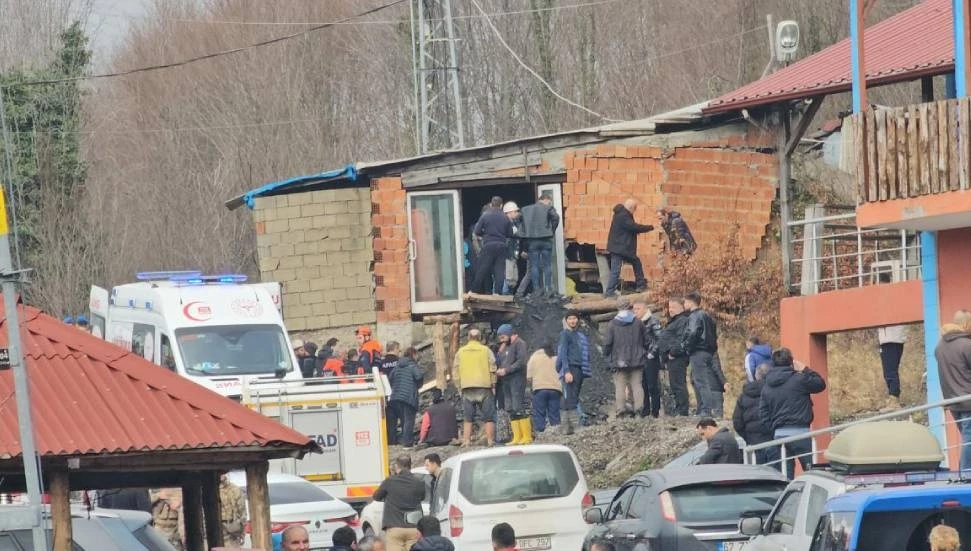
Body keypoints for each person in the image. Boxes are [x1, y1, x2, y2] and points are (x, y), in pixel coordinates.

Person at [759, 347, 827, 479]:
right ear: (791, 361)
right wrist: (805, 369)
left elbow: (763, 413)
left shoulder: (767, 386)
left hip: (779, 436)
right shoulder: (799, 379)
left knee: (786, 477)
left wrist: (774, 429)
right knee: (812, 475)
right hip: (801, 433)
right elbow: (820, 384)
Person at [935, 309, 971, 470]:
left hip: (953, 402)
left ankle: (965, 472)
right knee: (969, 439)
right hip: (968, 400)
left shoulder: (940, 346)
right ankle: (965, 473)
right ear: (966, 324)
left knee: (967, 438)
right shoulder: (966, 345)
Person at [681, 292, 725, 417]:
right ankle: (705, 409)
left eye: (685, 302)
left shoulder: (694, 316)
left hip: (698, 351)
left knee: (701, 382)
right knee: (704, 381)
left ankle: (705, 410)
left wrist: (685, 346)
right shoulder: (708, 316)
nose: (684, 304)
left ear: (691, 302)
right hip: (709, 352)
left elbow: (693, 332)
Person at [453, 328, 498, 447]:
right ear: (480, 338)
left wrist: (459, 386)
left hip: (467, 387)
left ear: (468, 338)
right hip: (484, 386)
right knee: (489, 417)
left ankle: (466, 441)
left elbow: (456, 371)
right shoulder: (486, 350)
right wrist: (493, 384)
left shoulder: (461, 352)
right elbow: (493, 367)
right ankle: (490, 441)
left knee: (468, 417)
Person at [604, 297, 648, 418]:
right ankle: (639, 410)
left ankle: (621, 410)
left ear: (617, 307)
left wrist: (607, 355)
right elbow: (646, 340)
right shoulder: (638, 322)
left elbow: (608, 343)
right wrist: (644, 352)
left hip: (619, 360)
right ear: (629, 307)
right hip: (637, 359)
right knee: (637, 385)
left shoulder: (612, 324)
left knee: (620, 386)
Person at [604, 198, 654, 297]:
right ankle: (610, 292)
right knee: (616, 270)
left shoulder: (621, 214)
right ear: (632, 208)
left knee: (634, 263)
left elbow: (629, 229)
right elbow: (634, 227)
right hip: (620, 248)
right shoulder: (623, 216)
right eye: (635, 209)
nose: (634, 211)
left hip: (620, 248)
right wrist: (650, 227)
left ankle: (640, 285)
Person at [374, 455, 426, 551]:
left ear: (397, 466)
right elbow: (422, 497)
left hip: (394, 527)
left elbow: (376, 496)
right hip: (414, 527)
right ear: (410, 465)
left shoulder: (390, 481)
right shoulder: (419, 482)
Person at [520, 191, 560, 298]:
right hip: (546, 239)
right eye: (549, 202)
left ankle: (536, 289)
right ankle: (548, 288)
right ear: (545, 200)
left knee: (534, 266)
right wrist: (551, 230)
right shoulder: (548, 208)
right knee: (547, 265)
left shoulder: (527, 209)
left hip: (533, 241)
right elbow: (556, 218)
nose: (549, 204)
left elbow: (522, 224)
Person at [471, 196, 513, 295]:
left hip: (488, 245)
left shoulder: (485, 216)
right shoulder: (505, 217)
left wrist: (485, 234)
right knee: (499, 270)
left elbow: (476, 231)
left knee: (482, 268)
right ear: (501, 205)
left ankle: (474, 291)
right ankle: (498, 293)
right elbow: (510, 234)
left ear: (491, 204)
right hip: (502, 245)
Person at [557, 310, 590, 435]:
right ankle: (573, 426)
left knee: (573, 396)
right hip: (570, 368)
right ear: (566, 321)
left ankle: (568, 427)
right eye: (570, 318)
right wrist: (566, 371)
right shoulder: (565, 334)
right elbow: (563, 353)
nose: (572, 321)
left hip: (578, 368)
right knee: (569, 397)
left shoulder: (578, 335)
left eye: (574, 318)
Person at [497, 323, 531, 445]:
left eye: (503, 336)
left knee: (518, 407)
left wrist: (506, 370)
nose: (501, 339)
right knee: (510, 408)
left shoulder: (520, 343)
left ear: (509, 334)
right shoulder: (504, 347)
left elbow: (521, 362)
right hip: (506, 380)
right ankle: (517, 437)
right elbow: (501, 361)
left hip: (517, 379)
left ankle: (526, 436)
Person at [733, 364, 773, 464]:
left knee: (757, 471)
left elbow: (737, 422)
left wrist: (748, 438)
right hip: (773, 440)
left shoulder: (743, 396)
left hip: (753, 442)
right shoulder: (774, 391)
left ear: (756, 375)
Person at [659, 297, 691, 416]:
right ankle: (679, 408)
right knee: (674, 384)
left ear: (682, 307)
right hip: (671, 357)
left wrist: (673, 353)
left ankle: (682, 410)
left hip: (677, 357)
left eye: (673, 307)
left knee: (678, 384)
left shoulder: (682, 320)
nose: (670, 309)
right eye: (669, 307)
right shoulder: (674, 320)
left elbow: (681, 339)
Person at [387, 347, 424, 449]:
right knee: (408, 420)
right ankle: (407, 443)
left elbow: (390, 378)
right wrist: (417, 385)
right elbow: (419, 376)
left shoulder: (397, 365)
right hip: (408, 397)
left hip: (395, 397)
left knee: (402, 420)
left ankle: (396, 441)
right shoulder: (412, 365)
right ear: (413, 354)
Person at [632, 300, 663, 418]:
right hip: (640, 358)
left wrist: (652, 353)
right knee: (642, 385)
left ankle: (655, 411)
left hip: (650, 358)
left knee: (652, 385)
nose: (635, 311)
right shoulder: (636, 323)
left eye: (638, 309)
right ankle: (645, 411)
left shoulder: (653, 321)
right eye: (634, 309)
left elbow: (660, 339)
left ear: (645, 309)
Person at [527, 340, 562, 433]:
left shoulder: (534, 358)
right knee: (554, 413)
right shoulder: (556, 358)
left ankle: (541, 432)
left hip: (540, 389)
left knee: (539, 413)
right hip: (555, 389)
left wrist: (533, 385)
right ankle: (556, 432)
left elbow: (529, 377)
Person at [878, 323, 907, 410]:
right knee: (888, 372)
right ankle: (893, 398)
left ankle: (894, 400)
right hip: (889, 339)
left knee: (890, 372)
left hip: (892, 339)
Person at [219, 473, 247, 547]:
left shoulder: (235, 489)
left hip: (232, 530)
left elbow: (242, 512)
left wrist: (243, 532)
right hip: (215, 530)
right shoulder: (207, 489)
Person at [502, 201, 523, 295]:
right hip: (508, 254)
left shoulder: (514, 223)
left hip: (513, 254)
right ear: (509, 213)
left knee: (513, 279)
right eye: (515, 211)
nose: (517, 213)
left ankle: (509, 297)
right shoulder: (505, 224)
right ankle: (504, 297)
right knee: (508, 277)